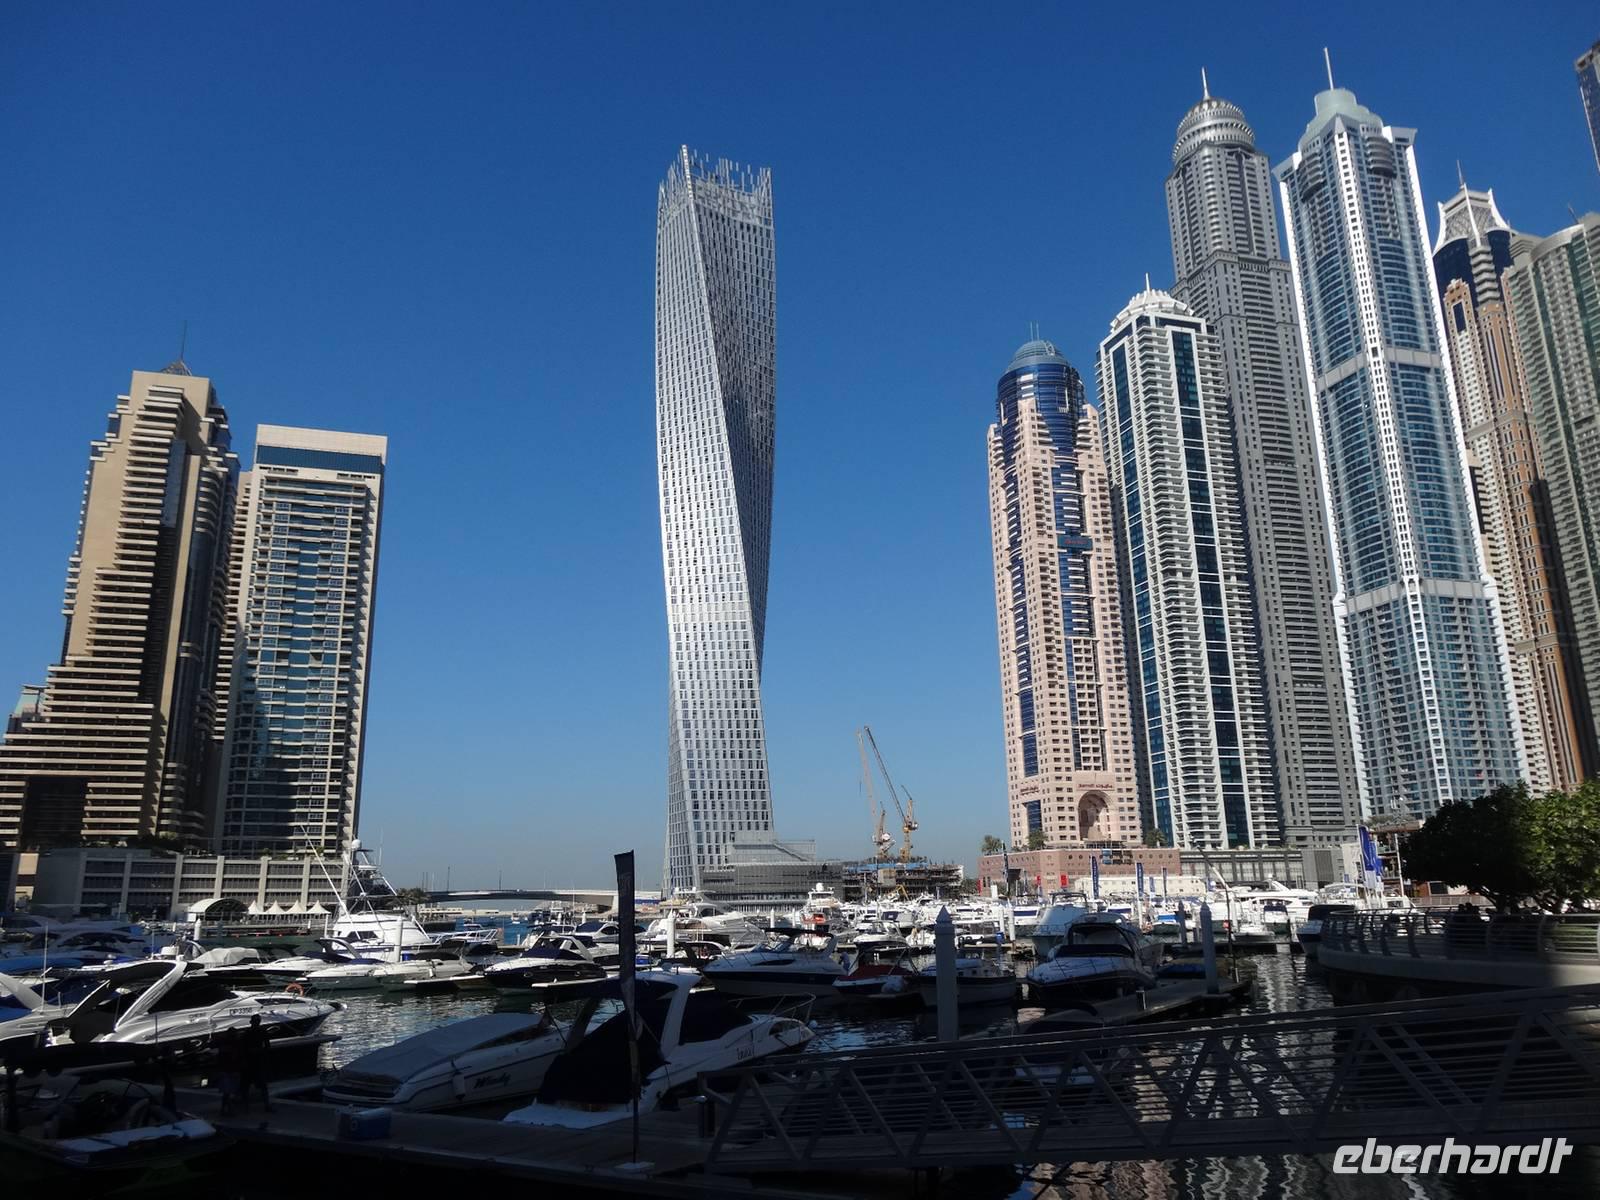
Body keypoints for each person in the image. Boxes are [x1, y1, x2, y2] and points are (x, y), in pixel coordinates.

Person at [239, 1014, 272, 1113]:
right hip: (252, 1061)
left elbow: (267, 1046)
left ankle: (250, 1106)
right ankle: (249, 1106)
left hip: (255, 1061)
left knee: (255, 1085)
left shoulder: (250, 1032)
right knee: (249, 1086)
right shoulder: (257, 1032)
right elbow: (267, 1047)